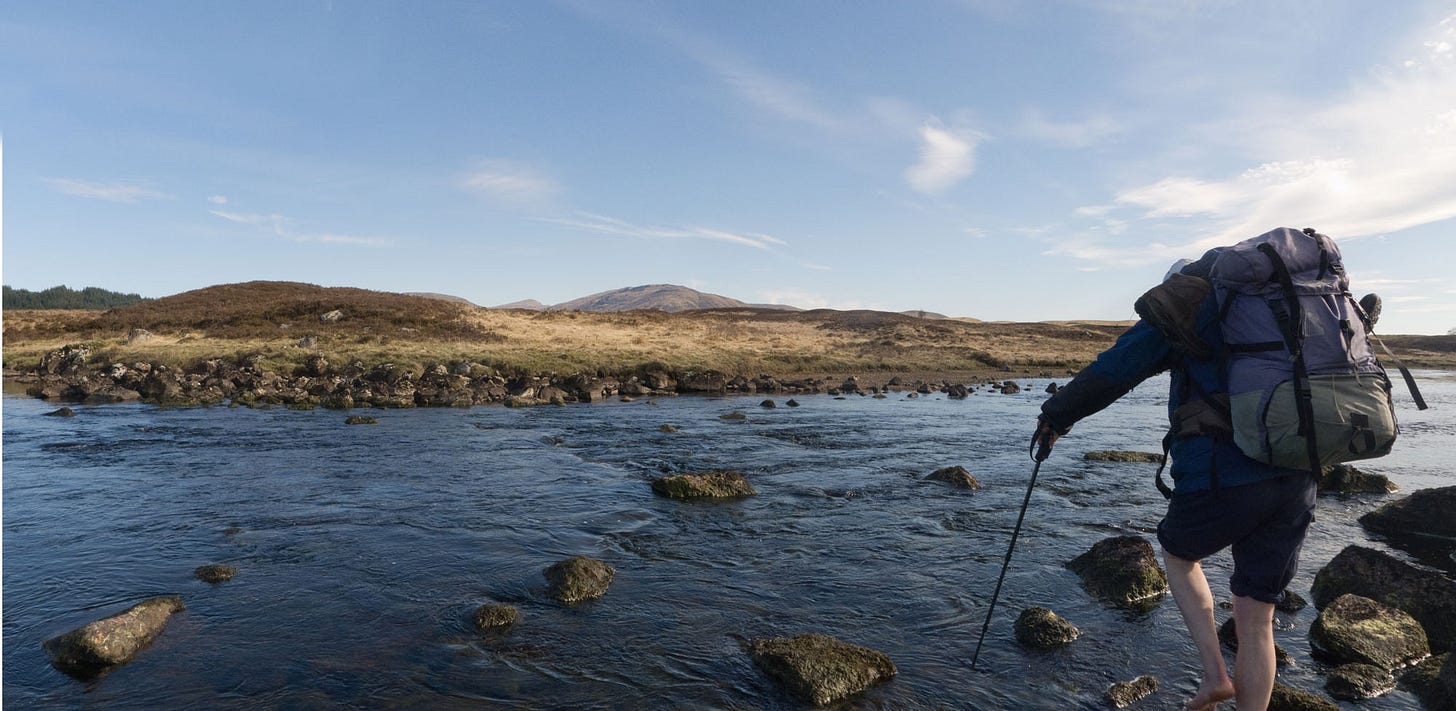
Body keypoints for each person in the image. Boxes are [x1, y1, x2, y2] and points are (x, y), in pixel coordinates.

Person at [1033, 249, 1318, 711]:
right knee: (1256, 615)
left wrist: (1056, 415)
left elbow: (1117, 367)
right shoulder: (1285, 307)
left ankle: (1213, 676)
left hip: (1224, 471)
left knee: (1179, 553)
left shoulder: (1188, 304)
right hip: (1300, 472)